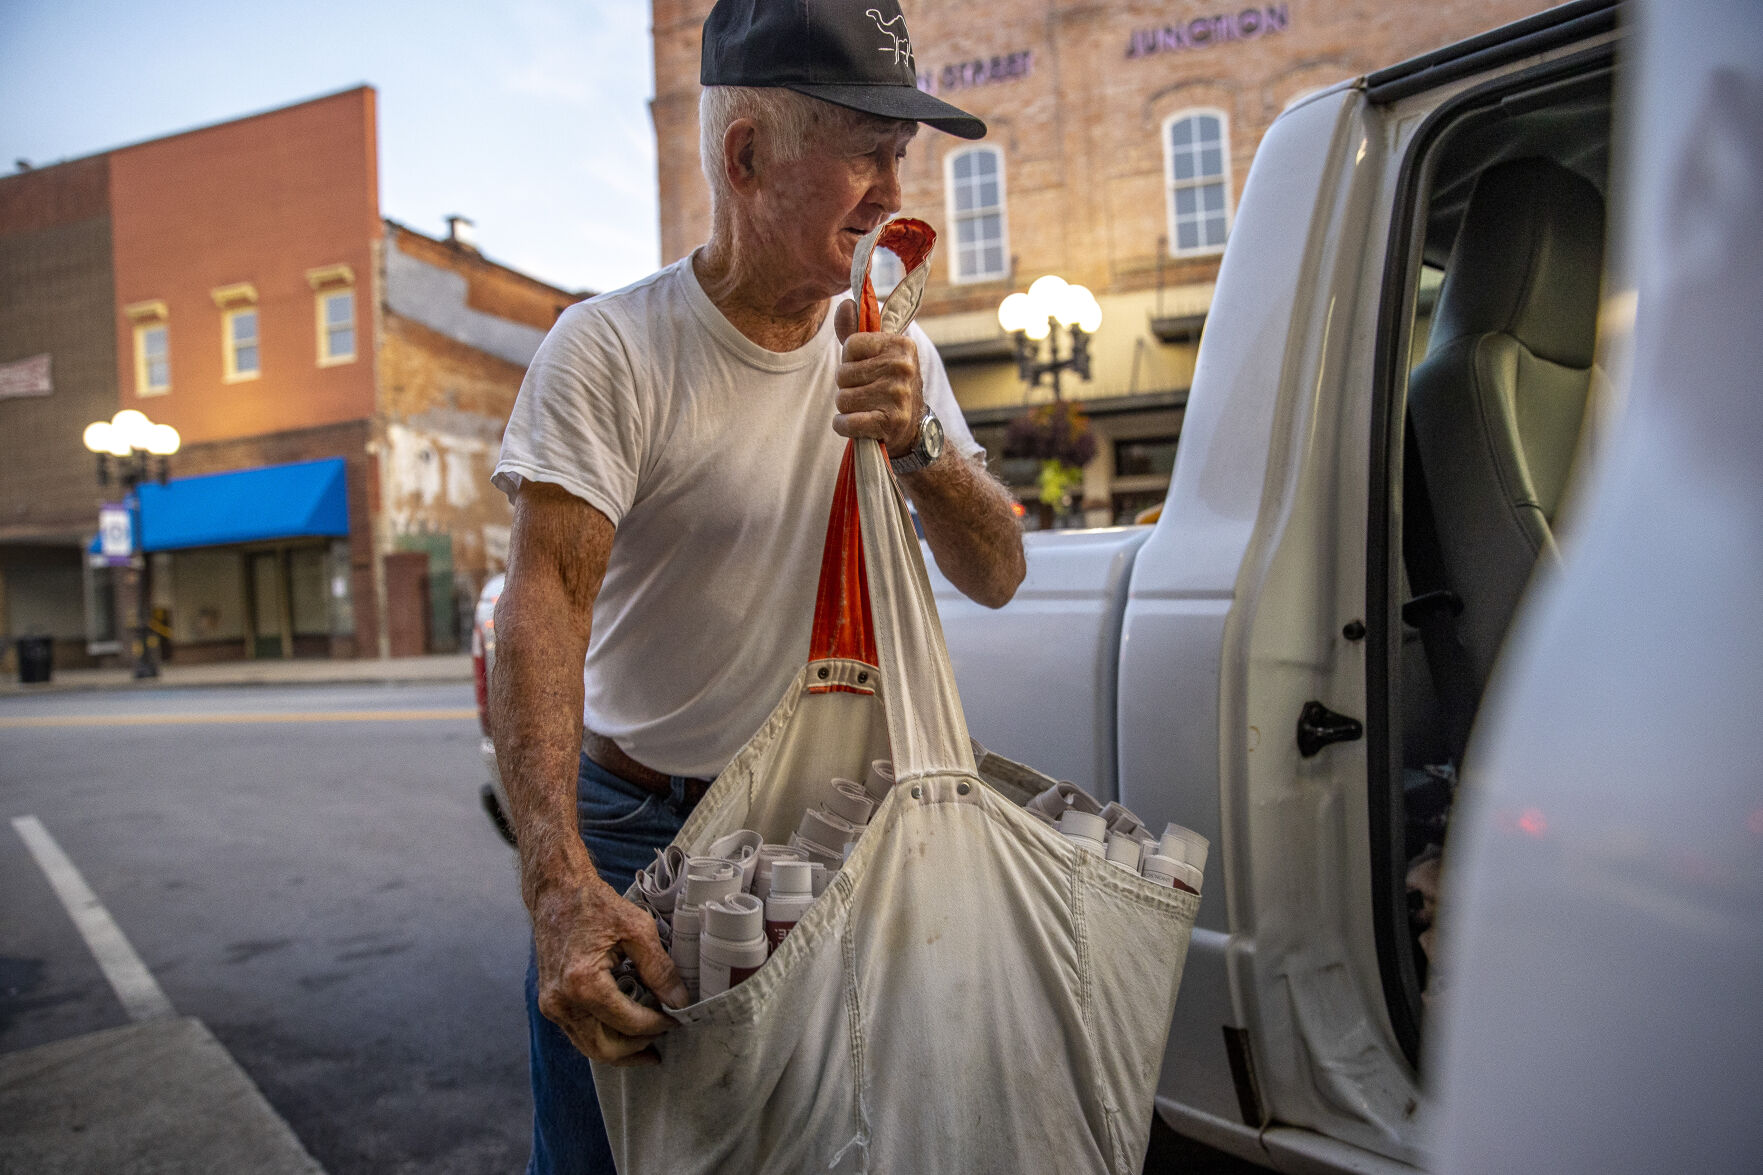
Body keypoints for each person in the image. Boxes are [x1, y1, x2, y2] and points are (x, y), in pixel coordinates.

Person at [489, 0, 1026, 1169]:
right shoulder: (613, 348)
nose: (894, 189)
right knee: (604, 1148)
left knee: (806, 1141)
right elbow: (541, 611)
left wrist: (922, 448)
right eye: (865, 152)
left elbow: (997, 571)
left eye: (901, 155)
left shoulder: (898, 348)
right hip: (631, 829)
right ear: (747, 158)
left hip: (812, 826)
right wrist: (559, 885)